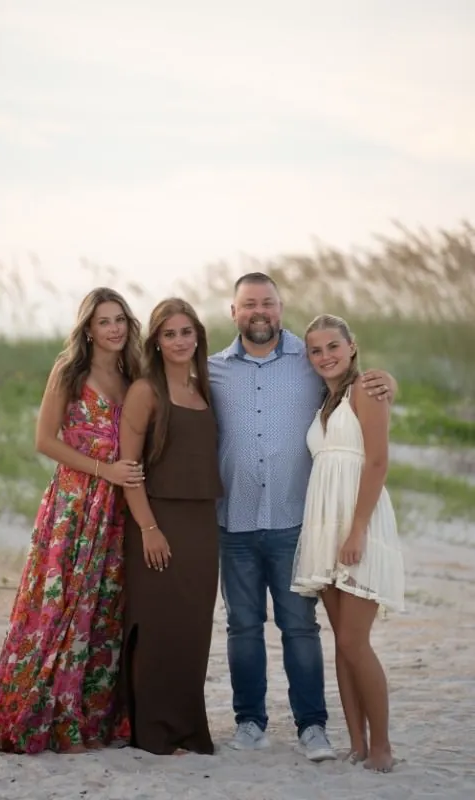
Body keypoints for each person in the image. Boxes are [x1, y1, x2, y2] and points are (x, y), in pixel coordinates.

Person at [208, 272, 396, 761]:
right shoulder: (211, 371)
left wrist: (387, 380)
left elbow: (357, 387)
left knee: (301, 629)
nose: (259, 312)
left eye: (267, 303)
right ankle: (250, 722)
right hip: (236, 522)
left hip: (297, 523)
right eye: (248, 304)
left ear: (280, 306)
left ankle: (313, 726)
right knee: (243, 628)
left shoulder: (307, 359)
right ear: (234, 312)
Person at [0, 287, 144, 754]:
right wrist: (104, 469)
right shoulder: (70, 372)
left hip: (117, 510)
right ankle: (57, 721)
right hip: (76, 505)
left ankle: (92, 720)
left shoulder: (134, 374)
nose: (115, 328)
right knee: (63, 609)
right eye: (105, 321)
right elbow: (45, 440)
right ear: (88, 328)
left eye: (120, 318)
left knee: (104, 612)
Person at [290, 313, 404, 773]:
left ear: (351, 346)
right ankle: (356, 743)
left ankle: (382, 748)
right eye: (315, 350)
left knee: (357, 641)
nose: (325, 357)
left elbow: (376, 463)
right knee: (342, 642)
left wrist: (357, 528)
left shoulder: (366, 390)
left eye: (333, 347)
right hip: (325, 526)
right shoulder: (326, 400)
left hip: (360, 522)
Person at [119, 297, 222, 755]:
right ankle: (154, 733)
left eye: (186, 332)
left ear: (197, 336)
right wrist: (147, 527)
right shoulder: (145, 390)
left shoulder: (207, 389)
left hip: (203, 523)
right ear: (156, 342)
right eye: (169, 334)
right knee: (158, 629)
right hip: (157, 520)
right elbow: (129, 467)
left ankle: (187, 729)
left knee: (193, 629)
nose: (179, 341)